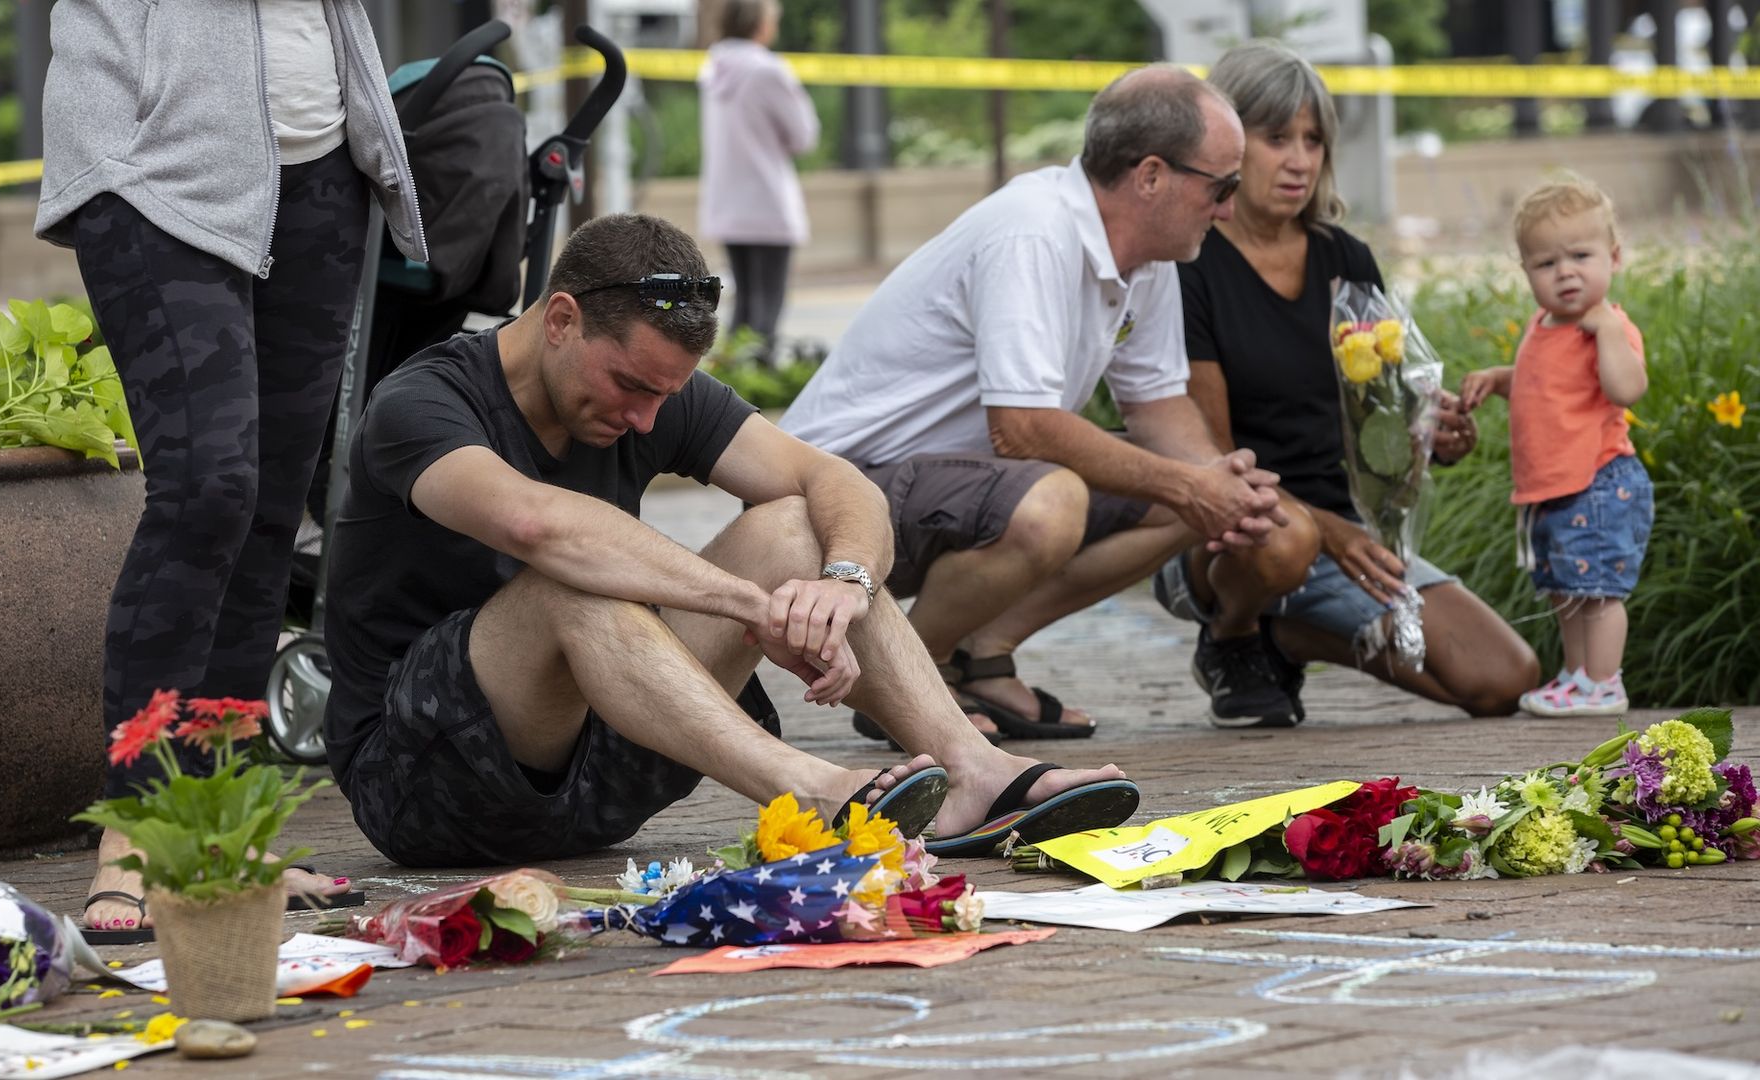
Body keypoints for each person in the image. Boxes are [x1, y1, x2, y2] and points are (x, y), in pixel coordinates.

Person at [321, 212, 1140, 864]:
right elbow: (542, 525)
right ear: (561, 319)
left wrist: (842, 584)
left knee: (794, 526)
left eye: (663, 396)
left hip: (602, 777)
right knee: (570, 581)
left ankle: (974, 774)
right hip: (428, 783)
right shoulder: (420, 404)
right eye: (631, 386)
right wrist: (753, 607)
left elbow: (836, 482)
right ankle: (815, 791)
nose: (646, 418)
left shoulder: (654, 391)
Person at [34, 0, 428, 933]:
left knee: (266, 511)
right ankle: (136, 826)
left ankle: (218, 830)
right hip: (151, 163)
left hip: (317, 166)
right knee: (208, 487)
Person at [779, 66, 1286, 744]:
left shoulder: (1153, 257)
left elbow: (1159, 408)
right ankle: (897, 684)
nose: (1229, 208)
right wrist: (1194, 484)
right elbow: (1021, 429)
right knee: (1053, 503)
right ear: (1152, 176)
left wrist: (1227, 492)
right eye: (1222, 185)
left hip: (948, 484)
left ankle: (978, 657)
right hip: (834, 499)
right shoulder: (1034, 230)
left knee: (1180, 501)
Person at [1150, 40, 1538, 727]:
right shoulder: (1192, 264)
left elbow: (1380, 413)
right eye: (1276, 138)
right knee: (1281, 540)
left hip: (1346, 526)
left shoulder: (1345, 259)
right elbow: (1211, 458)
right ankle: (1233, 633)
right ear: (1229, 144)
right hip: (1235, 531)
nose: (1300, 159)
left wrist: (1429, 432)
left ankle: (1286, 636)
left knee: (1501, 679)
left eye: (1314, 139)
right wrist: (1326, 531)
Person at [1460, 175, 1651, 717]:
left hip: (1599, 480)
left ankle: (1604, 682)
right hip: (1556, 489)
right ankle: (1575, 675)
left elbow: (1626, 388)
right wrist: (1500, 378)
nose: (1565, 271)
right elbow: (1543, 380)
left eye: (1580, 256)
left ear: (1613, 259)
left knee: (1600, 593)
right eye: (1546, 263)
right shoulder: (1544, 324)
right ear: (1526, 273)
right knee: (1566, 590)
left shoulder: (1607, 326)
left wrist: (1608, 331)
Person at [697, 0, 820, 361]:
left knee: (745, 303)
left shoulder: (713, 68)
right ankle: (755, 378)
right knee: (767, 307)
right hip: (767, 199)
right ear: (762, 25)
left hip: (728, 200)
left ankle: (735, 378)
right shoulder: (769, 71)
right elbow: (804, 135)